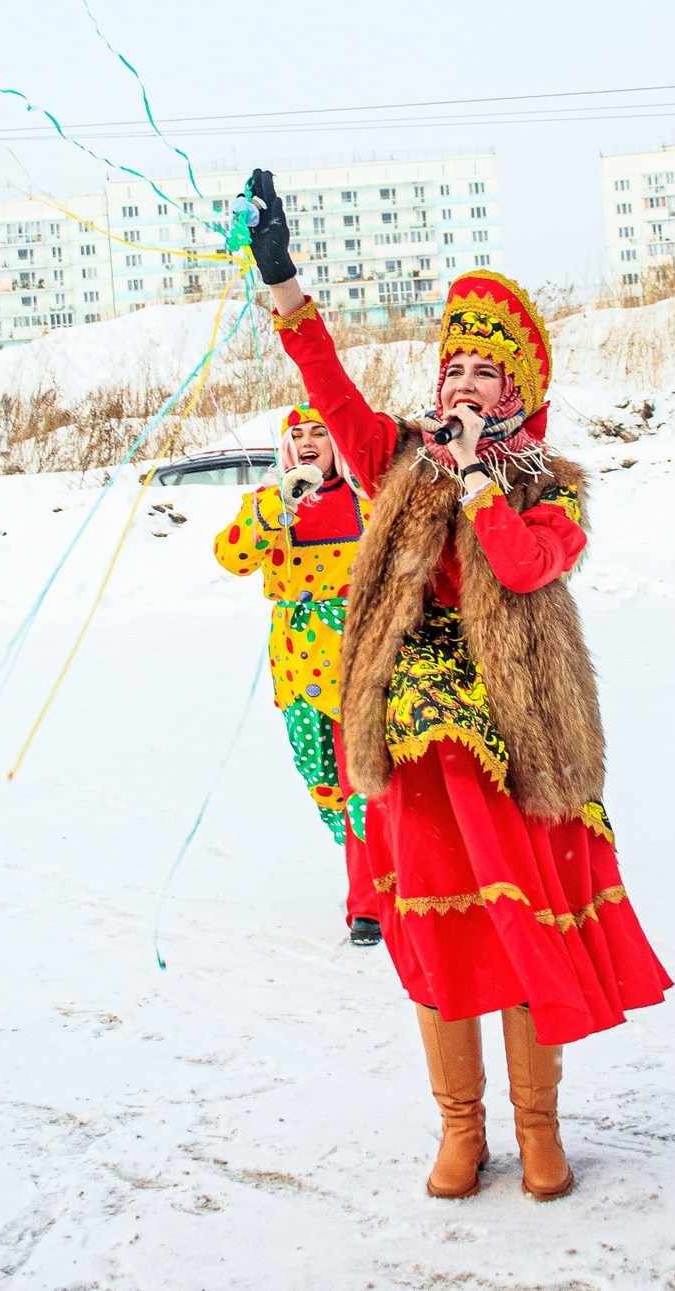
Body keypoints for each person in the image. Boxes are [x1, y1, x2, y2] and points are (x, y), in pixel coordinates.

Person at [243, 167, 670, 1203]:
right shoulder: (391, 456)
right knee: (436, 930)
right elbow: (331, 392)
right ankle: (460, 1130)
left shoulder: (550, 486)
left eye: (487, 368)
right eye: (455, 366)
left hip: (516, 738)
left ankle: (537, 1128)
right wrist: (283, 283)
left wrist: (480, 479)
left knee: (520, 929)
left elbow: (525, 568)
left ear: (517, 389)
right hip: (413, 739)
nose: (464, 381)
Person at [213, 403, 388, 946]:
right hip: (295, 663)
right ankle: (374, 873)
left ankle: (371, 901)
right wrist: (272, 507)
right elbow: (231, 558)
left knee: (366, 782)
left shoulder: (369, 499)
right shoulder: (268, 504)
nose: (310, 442)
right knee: (325, 783)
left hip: (360, 657)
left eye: (321, 432)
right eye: (299, 434)